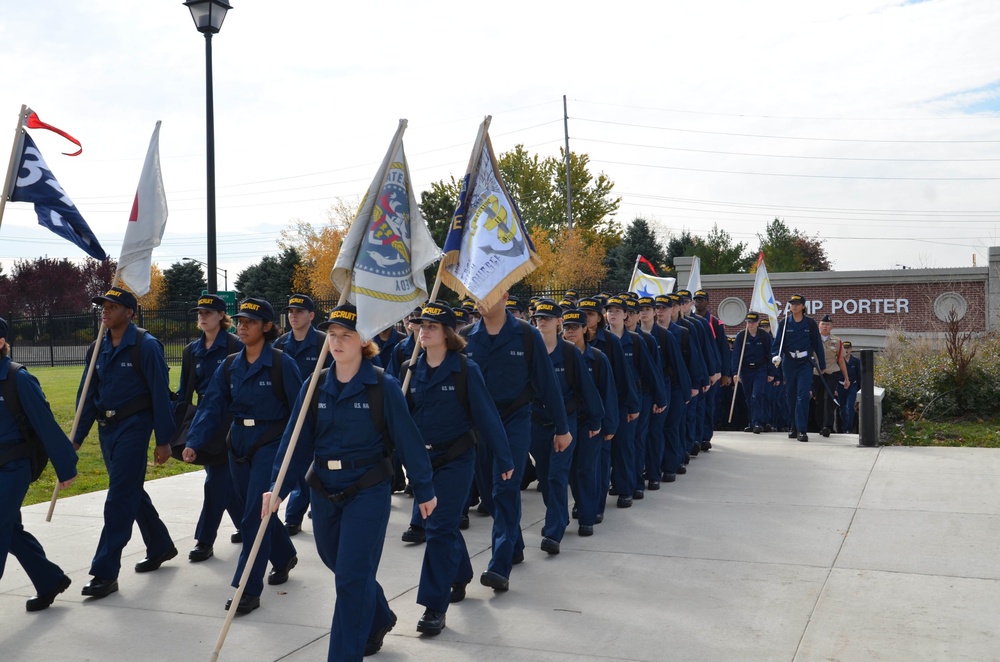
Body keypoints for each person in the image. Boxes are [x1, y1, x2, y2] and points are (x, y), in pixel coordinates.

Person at [263, 304, 437, 659]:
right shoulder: (316, 385)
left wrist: (425, 487)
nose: (337, 342)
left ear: (364, 341)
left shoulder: (382, 386)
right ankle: (379, 616)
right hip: (324, 489)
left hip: (368, 490)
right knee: (340, 565)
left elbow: (408, 439)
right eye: (333, 335)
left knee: (349, 579)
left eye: (347, 335)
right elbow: (295, 442)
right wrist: (277, 487)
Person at [183, 298, 303, 614]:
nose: (243, 326)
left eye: (251, 321)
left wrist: (298, 456)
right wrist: (194, 440)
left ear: (266, 326)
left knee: (254, 515)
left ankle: (246, 590)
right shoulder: (230, 364)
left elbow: (300, 413)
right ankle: (283, 555)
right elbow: (211, 406)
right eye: (240, 320)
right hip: (237, 445)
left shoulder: (281, 363)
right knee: (252, 510)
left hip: (270, 445)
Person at [401, 302, 513, 635]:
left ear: (448, 334)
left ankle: (434, 607)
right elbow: (399, 420)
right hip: (423, 463)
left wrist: (505, 458)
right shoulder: (411, 369)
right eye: (422, 325)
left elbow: (487, 416)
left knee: (436, 529)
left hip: (456, 460)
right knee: (443, 527)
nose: (424, 330)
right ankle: (461, 574)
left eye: (432, 326)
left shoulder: (465, 369)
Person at [74, 287, 177, 599]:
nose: (104, 310)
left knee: (118, 497)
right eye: (102, 305)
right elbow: (86, 395)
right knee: (130, 490)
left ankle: (105, 572)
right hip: (107, 430)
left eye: (112, 306)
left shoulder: (145, 346)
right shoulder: (97, 347)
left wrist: (164, 441)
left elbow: (161, 394)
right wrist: (76, 438)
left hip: (135, 427)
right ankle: (160, 546)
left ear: (130, 312)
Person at [464, 292, 570, 592]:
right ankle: (514, 543)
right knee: (487, 489)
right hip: (479, 426)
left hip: (514, 421)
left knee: (506, 488)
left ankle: (499, 564)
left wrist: (562, 427)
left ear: (505, 295)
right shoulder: (465, 336)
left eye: (488, 293)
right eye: (476, 295)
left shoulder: (525, 334)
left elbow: (548, 383)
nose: (481, 300)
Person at [0, 317, 78, 611]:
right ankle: (49, 580)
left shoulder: (18, 378)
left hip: (13, 466)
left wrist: (65, 466)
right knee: (10, 531)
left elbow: (45, 424)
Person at [528, 300, 603, 552]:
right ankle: (557, 515)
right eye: (539, 318)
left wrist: (595, 419)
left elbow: (586, 388)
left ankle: (553, 532)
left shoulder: (570, 352)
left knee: (557, 474)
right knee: (544, 476)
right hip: (537, 422)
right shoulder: (529, 350)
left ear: (558, 322)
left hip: (565, 422)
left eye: (547, 318)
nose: (542, 322)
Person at [177, 294, 243, 562]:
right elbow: (185, 393)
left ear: (221, 316)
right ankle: (247, 526)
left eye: (207, 312)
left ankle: (204, 540)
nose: (202, 317)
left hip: (230, 420)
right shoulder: (191, 350)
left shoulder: (235, 346)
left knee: (216, 482)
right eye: (199, 313)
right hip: (204, 421)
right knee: (221, 482)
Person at [274, 294, 332, 535]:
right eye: (290, 311)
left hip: (317, 415)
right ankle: (294, 516)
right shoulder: (280, 344)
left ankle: (300, 513)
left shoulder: (323, 343)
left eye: (299, 311)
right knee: (293, 466)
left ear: (311, 315)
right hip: (288, 415)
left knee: (313, 466)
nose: (293, 315)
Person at [579, 296, 638, 520]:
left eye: (591, 314)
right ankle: (585, 501)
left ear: (598, 318)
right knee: (585, 462)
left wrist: (632, 404)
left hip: (611, 405)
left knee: (610, 454)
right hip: (582, 409)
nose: (586, 319)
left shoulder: (610, 342)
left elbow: (624, 375)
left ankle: (602, 502)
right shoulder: (572, 341)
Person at [562, 309, 617, 536]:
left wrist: (609, 425)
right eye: (567, 327)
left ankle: (588, 515)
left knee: (587, 468)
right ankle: (582, 503)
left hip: (590, 422)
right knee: (571, 471)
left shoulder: (598, 358)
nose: (570, 331)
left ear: (585, 329)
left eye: (575, 327)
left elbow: (608, 393)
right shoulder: (558, 356)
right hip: (566, 422)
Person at [772, 294, 826, 442]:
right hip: (789, 363)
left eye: (797, 303)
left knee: (802, 396)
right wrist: (775, 356)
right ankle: (793, 427)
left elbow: (817, 344)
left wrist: (822, 364)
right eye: (792, 303)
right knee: (791, 396)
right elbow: (777, 344)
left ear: (803, 306)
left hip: (805, 363)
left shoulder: (810, 323)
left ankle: (802, 430)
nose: (793, 306)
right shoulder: (784, 323)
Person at [693, 290, 732, 448]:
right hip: (696, 369)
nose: (698, 302)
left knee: (709, 405)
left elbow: (723, 348)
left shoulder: (715, 323)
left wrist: (724, 373)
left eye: (702, 299)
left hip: (711, 370)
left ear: (708, 302)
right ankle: (695, 437)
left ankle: (705, 437)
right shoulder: (690, 320)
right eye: (696, 299)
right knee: (696, 406)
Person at [731, 312, 775, 434]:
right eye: (748, 322)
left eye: (752, 322)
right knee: (749, 397)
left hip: (760, 369)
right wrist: (735, 373)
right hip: (745, 370)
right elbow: (736, 355)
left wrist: (771, 372)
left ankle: (757, 422)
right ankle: (751, 422)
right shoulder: (741, 336)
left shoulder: (764, 336)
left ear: (757, 323)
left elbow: (770, 353)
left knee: (758, 395)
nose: (750, 325)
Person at [812, 315, 851, 437]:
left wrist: (846, 378)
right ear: (819, 325)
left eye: (828, 325)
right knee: (818, 400)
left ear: (831, 327)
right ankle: (820, 425)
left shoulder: (837, 341)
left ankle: (827, 426)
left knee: (828, 398)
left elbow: (841, 360)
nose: (825, 326)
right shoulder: (812, 339)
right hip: (816, 373)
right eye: (823, 324)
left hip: (831, 373)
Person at [838, 341, 861, 433]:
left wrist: (859, 389)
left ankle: (849, 428)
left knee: (850, 406)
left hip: (853, 385)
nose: (846, 350)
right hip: (840, 386)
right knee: (842, 407)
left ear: (851, 349)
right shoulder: (838, 361)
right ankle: (844, 426)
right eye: (844, 348)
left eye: (848, 348)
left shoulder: (856, 361)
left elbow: (859, 376)